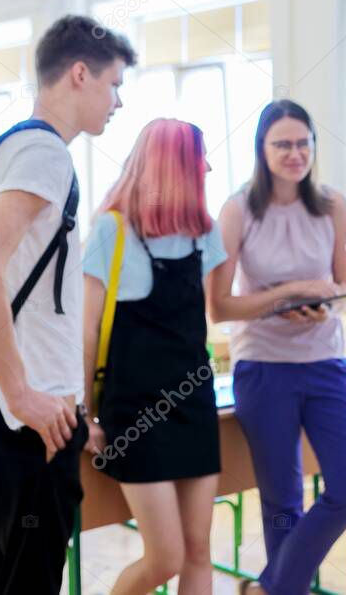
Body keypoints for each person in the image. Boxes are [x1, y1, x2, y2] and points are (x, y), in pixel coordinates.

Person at [0, 14, 135, 594]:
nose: (117, 102)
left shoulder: (16, 148)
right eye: (114, 85)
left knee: (5, 573)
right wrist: (24, 395)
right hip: (29, 415)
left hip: (18, 409)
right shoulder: (45, 156)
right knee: (27, 578)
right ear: (80, 74)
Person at [207, 99, 346, 595]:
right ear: (262, 149)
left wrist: (324, 307)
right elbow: (219, 308)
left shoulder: (333, 205)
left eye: (304, 143)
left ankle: (268, 588)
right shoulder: (237, 210)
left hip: (326, 363)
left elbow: (344, 287)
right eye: (283, 144)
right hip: (264, 367)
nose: (295, 153)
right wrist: (284, 296)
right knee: (281, 501)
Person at [82, 119, 227, 594]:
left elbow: (209, 315)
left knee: (199, 551)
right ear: (175, 166)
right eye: (199, 157)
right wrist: (86, 415)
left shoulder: (205, 233)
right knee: (166, 558)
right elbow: (86, 335)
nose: (206, 166)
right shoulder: (112, 230)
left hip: (195, 405)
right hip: (136, 414)